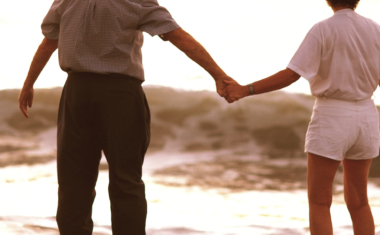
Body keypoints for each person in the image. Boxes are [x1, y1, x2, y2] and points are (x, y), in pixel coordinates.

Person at [18, 0, 235, 234]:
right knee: (126, 181)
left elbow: (49, 42)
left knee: (73, 184)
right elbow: (178, 37)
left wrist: (29, 83)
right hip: (120, 94)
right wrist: (219, 75)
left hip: (78, 92)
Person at [224, 0, 380, 234]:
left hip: (333, 114)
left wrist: (245, 89)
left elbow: (291, 75)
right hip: (368, 115)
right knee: (359, 202)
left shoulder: (323, 28)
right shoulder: (375, 29)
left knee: (320, 201)